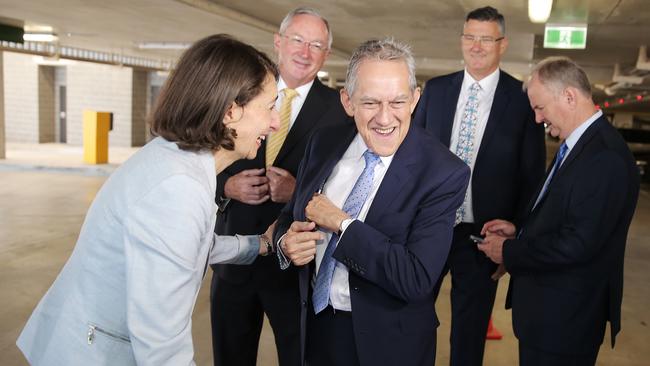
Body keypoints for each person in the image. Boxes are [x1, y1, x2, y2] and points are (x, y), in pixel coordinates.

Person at [16, 34, 280, 365]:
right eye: (270, 106)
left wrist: (261, 245)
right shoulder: (177, 188)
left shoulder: (173, 155)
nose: (275, 122)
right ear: (230, 111)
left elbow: (188, 246)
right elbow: (162, 347)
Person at [274, 38, 470, 366]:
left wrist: (342, 223)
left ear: (415, 100)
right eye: (370, 103)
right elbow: (289, 215)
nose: (384, 117)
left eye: (397, 102)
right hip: (317, 328)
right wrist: (285, 241)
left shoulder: (443, 172)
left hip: (389, 344)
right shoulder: (322, 143)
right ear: (347, 101)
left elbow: (415, 277)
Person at [478, 56, 640, 366]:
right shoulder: (580, 145)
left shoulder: (604, 158)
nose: (537, 119)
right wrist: (520, 229)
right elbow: (564, 213)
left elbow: (578, 244)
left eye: (540, 108)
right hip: (550, 316)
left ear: (569, 96)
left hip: (565, 321)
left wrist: (509, 252)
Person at [210, 7, 345, 366]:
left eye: (316, 45)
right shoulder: (239, 93)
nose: (305, 51)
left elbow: (351, 186)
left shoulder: (339, 110)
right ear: (278, 42)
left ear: (326, 54)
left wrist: (298, 191)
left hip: (294, 267)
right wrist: (226, 186)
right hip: (233, 259)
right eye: (298, 40)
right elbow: (203, 154)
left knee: (299, 357)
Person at [412, 6, 546, 365]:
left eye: (486, 38)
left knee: (469, 332)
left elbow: (533, 175)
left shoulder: (521, 99)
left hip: (483, 235)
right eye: (470, 36)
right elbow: (414, 157)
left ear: (502, 44)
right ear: (461, 40)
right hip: (430, 225)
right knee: (411, 314)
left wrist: (517, 233)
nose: (476, 45)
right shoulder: (436, 91)